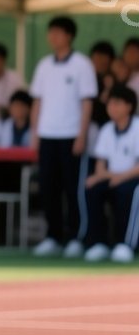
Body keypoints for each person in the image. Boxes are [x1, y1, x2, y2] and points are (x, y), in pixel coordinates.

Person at [29, 17, 97, 258]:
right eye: (51, 32)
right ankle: (53, 236)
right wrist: (35, 134)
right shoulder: (44, 65)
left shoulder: (82, 64)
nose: (52, 37)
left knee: (72, 189)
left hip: (71, 135)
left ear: (69, 35)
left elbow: (87, 103)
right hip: (47, 135)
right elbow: (37, 102)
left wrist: (81, 135)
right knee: (48, 188)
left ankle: (75, 237)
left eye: (57, 32)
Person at [80, 85, 138, 263]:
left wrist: (120, 177)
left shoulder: (137, 128)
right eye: (110, 103)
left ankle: (125, 244)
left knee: (128, 191)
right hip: (112, 178)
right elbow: (100, 164)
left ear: (129, 106)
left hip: (132, 179)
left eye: (117, 103)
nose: (112, 107)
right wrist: (100, 177)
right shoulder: (106, 129)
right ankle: (99, 243)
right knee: (92, 188)